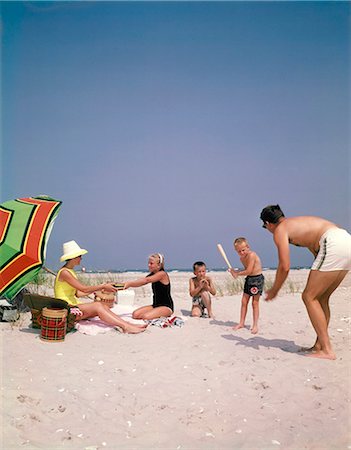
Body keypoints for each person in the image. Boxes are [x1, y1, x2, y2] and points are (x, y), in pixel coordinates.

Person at [260, 204, 351, 360]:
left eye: (264, 226)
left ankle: (327, 350)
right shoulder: (296, 223)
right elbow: (313, 246)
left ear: (268, 223)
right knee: (321, 298)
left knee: (308, 297)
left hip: (332, 242)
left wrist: (275, 289)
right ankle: (319, 345)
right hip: (345, 240)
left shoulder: (280, 229)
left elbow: (284, 266)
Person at [54, 241, 147, 334]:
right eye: (79, 256)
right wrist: (102, 286)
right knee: (97, 306)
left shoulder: (70, 271)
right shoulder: (64, 272)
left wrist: (100, 288)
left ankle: (127, 324)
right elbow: (84, 289)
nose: (81, 258)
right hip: (66, 308)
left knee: (102, 305)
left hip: (73, 306)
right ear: (73, 257)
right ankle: (125, 326)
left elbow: (78, 294)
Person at [123, 253, 174, 320]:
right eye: (148, 263)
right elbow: (142, 282)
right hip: (155, 305)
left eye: (151, 263)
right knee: (135, 314)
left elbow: (146, 280)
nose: (148, 265)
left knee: (146, 317)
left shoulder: (162, 274)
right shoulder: (152, 274)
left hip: (166, 307)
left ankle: (160, 313)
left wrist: (129, 284)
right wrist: (124, 285)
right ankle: (156, 312)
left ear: (159, 265)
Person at [229, 238, 264, 334]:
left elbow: (249, 271)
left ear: (247, 247)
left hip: (257, 279)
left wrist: (237, 274)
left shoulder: (252, 255)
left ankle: (255, 325)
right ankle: (241, 323)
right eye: (239, 251)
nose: (241, 252)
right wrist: (234, 271)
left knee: (254, 303)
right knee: (244, 301)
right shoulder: (242, 258)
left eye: (243, 250)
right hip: (249, 279)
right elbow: (246, 270)